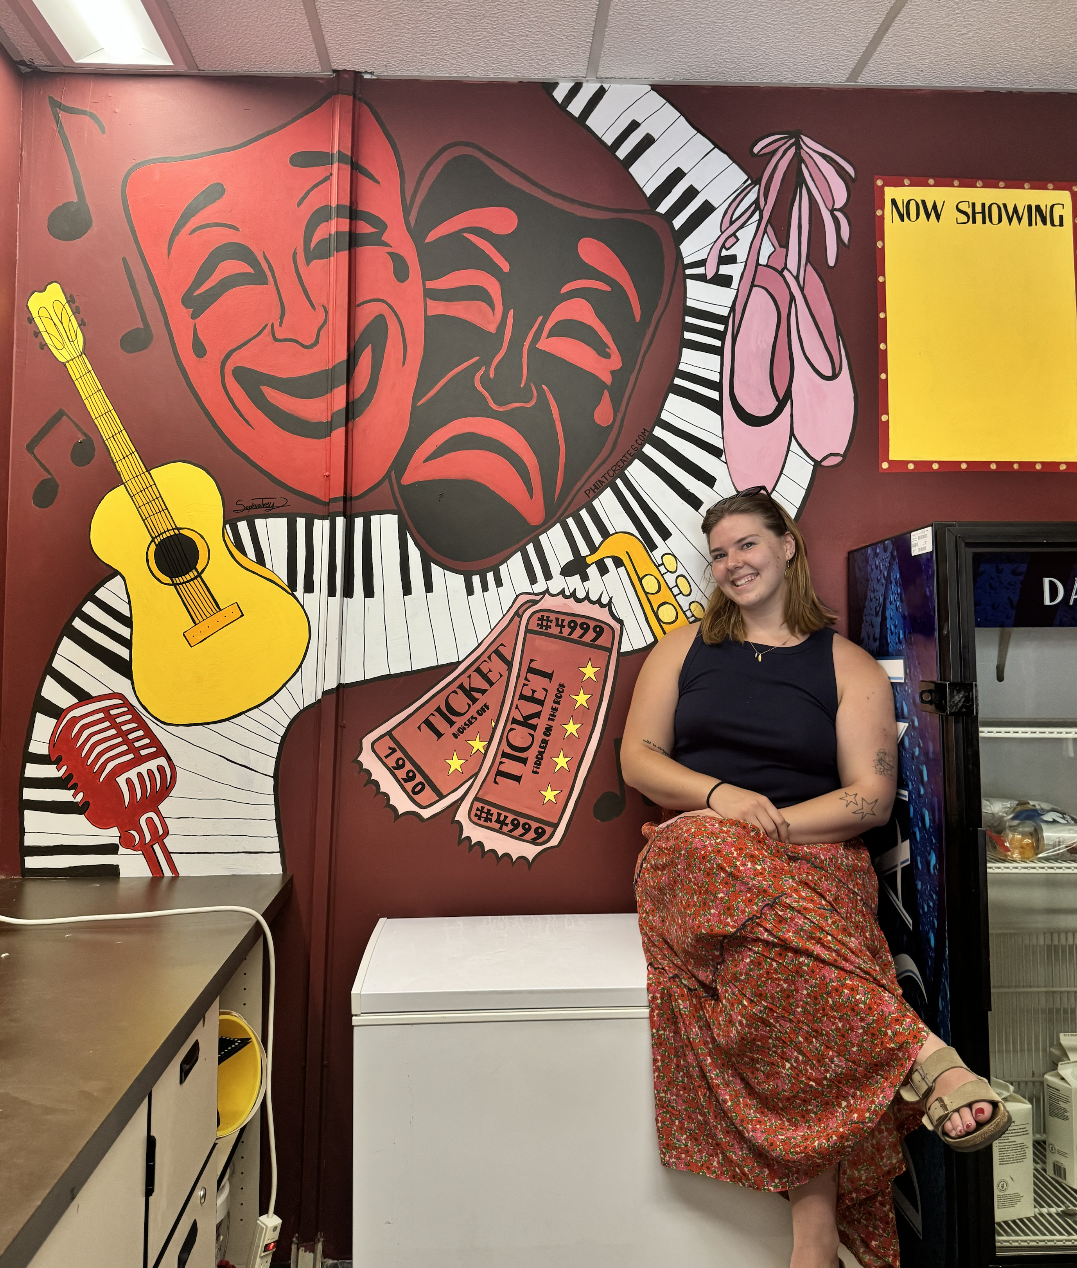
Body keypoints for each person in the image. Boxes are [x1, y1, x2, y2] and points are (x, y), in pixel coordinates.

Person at [621, 487, 1009, 1268]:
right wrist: (721, 801)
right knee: (705, 847)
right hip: (694, 862)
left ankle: (813, 1243)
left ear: (786, 545)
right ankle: (920, 1056)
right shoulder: (681, 649)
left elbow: (868, 798)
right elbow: (638, 759)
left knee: (781, 974)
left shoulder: (844, 664)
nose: (731, 563)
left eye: (745, 545)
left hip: (816, 863)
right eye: (718, 553)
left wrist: (771, 827)